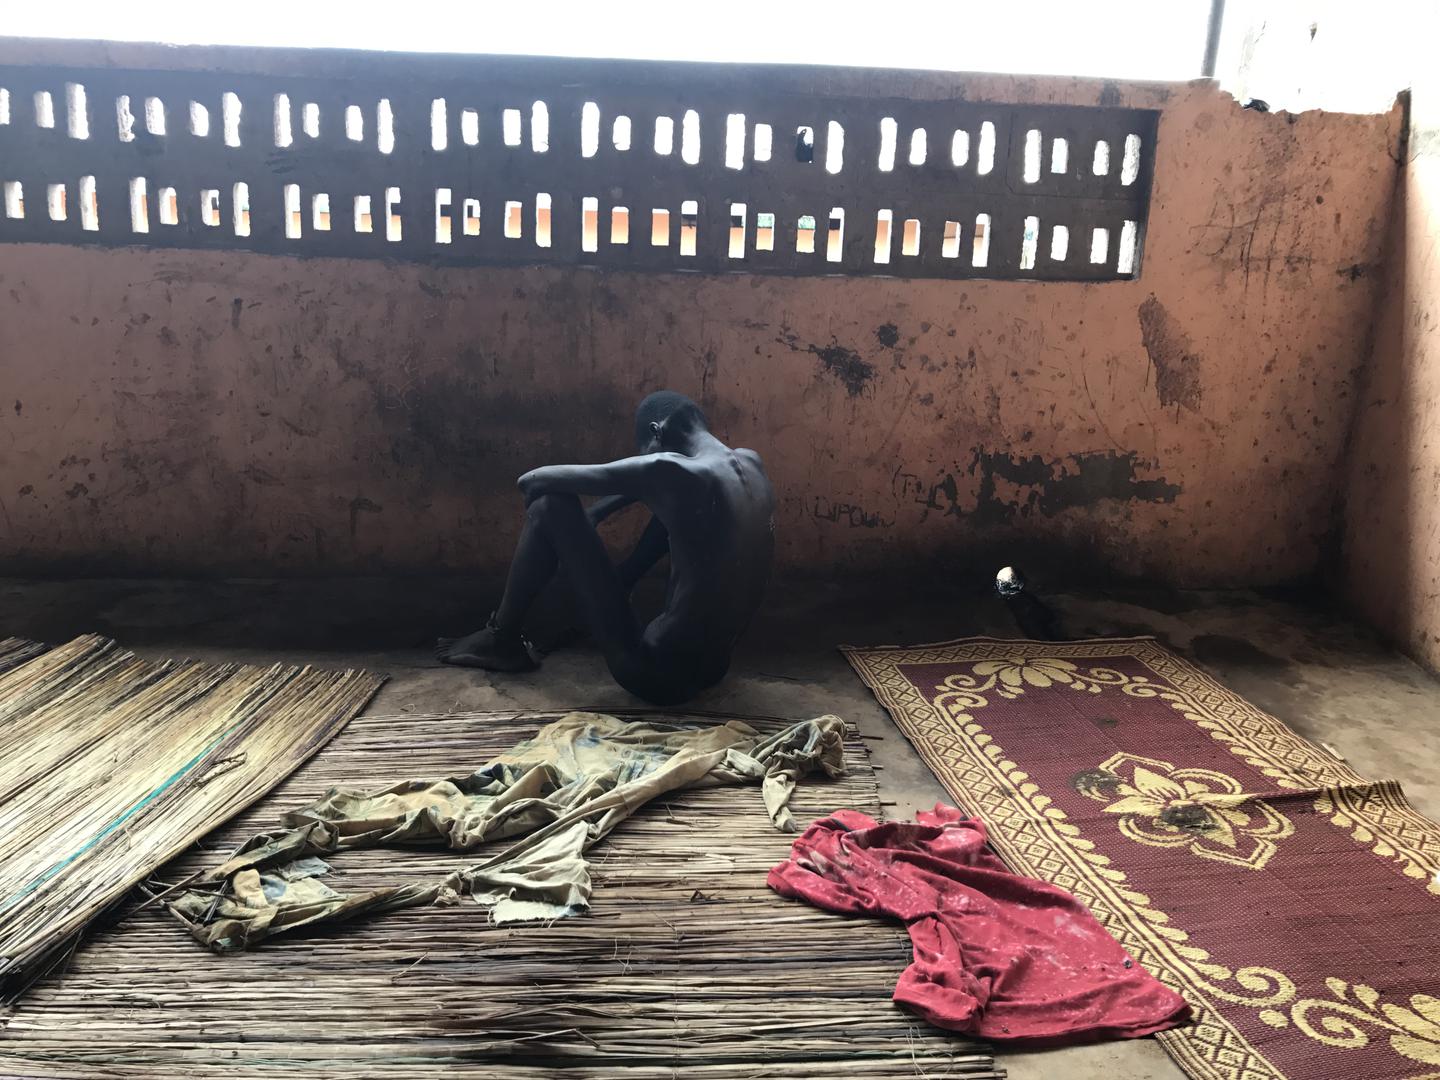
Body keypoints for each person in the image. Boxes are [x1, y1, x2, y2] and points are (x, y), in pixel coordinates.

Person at [436, 391, 775, 705]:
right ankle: (621, 585)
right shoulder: (751, 464)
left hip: (653, 673)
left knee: (550, 505)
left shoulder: (669, 469)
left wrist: (602, 504)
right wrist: (600, 510)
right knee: (683, 515)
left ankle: (500, 638)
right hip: (715, 668)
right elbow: (665, 483)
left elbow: (533, 481)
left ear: (656, 432)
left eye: (643, 451)